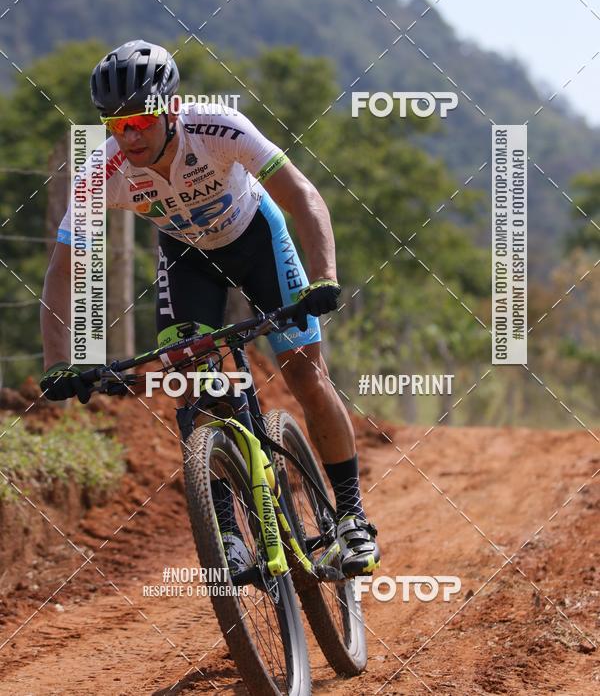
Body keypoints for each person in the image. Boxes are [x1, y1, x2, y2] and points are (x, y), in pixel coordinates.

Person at [39, 40, 380, 577]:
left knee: (306, 374)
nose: (128, 134)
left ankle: (352, 518)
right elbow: (63, 270)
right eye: (115, 122)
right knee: (196, 384)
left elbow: (303, 196)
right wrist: (59, 362)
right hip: (187, 258)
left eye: (140, 120)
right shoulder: (101, 173)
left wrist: (325, 279)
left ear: (171, 109)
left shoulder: (219, 127)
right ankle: (227, 531)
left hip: (258, 241)